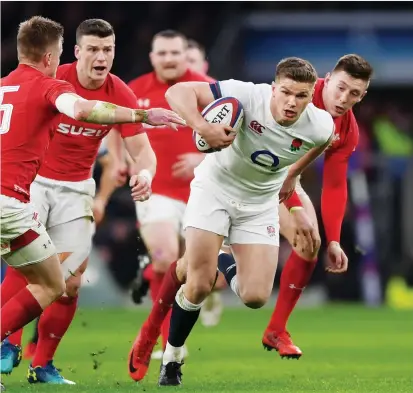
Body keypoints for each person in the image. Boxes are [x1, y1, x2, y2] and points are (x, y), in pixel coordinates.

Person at [128, 57, 335, 384]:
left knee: (254, 297)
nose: (292, 102)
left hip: (259, 204)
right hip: (215, 191)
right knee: (198, 283)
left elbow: (319, 144)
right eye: (286, 93)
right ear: (273, 87)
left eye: (302, 96)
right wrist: (202, 126)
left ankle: (220, 258)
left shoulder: (321, 125)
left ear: (312, 96)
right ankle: (172, 357)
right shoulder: (246, 95)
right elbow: (178, 92)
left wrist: (291, 177)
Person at [0, 18, 184, 385]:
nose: (101, 57)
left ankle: (43, 365)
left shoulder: (119, 92)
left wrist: (145, 174)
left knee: (68, 284)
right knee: (30, 269)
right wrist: (146, 115)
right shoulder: (53, 82)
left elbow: (142, 154)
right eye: (94, 49)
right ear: (76, 52)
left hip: (76, 190)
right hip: (32, 185)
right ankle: (7, 343)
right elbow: (85, 111)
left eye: (108, 50)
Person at [218, 54, 374, 359]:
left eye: (355, 94)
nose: (344, 99)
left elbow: (334, 185)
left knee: (308, 243)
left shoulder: (346, 129)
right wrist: (294, 209)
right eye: (340, 88)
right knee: (194, 281)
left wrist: (334, 239)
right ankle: (153, 334)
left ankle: (276, 330)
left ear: (363, 95)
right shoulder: (296, 94)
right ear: (327, 79)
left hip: (280, 179)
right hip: (241, 172)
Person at [127, 30, 213, 360]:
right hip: (157, 191)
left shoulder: (208, 88)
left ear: (184, 53)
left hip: (202, 195)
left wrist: (202, 156)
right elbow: (124, 133)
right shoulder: (135, 90)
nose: (169, 59)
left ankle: (147, 275)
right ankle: (163, 339)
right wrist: (124, 165)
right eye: (162, 53)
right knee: (166, 258)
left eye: (175, 53)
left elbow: (234, 140)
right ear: (152, 57)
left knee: (194, 274)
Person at [185, 38, 225, 328]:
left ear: (204, 65)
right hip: (170, 188)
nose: (186, 66)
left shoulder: (222, 99)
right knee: (172, 258)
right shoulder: (171, 95)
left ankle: (209, 289)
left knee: (203, 264)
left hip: (213, 186)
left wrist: (198, 160)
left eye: (192, 60)